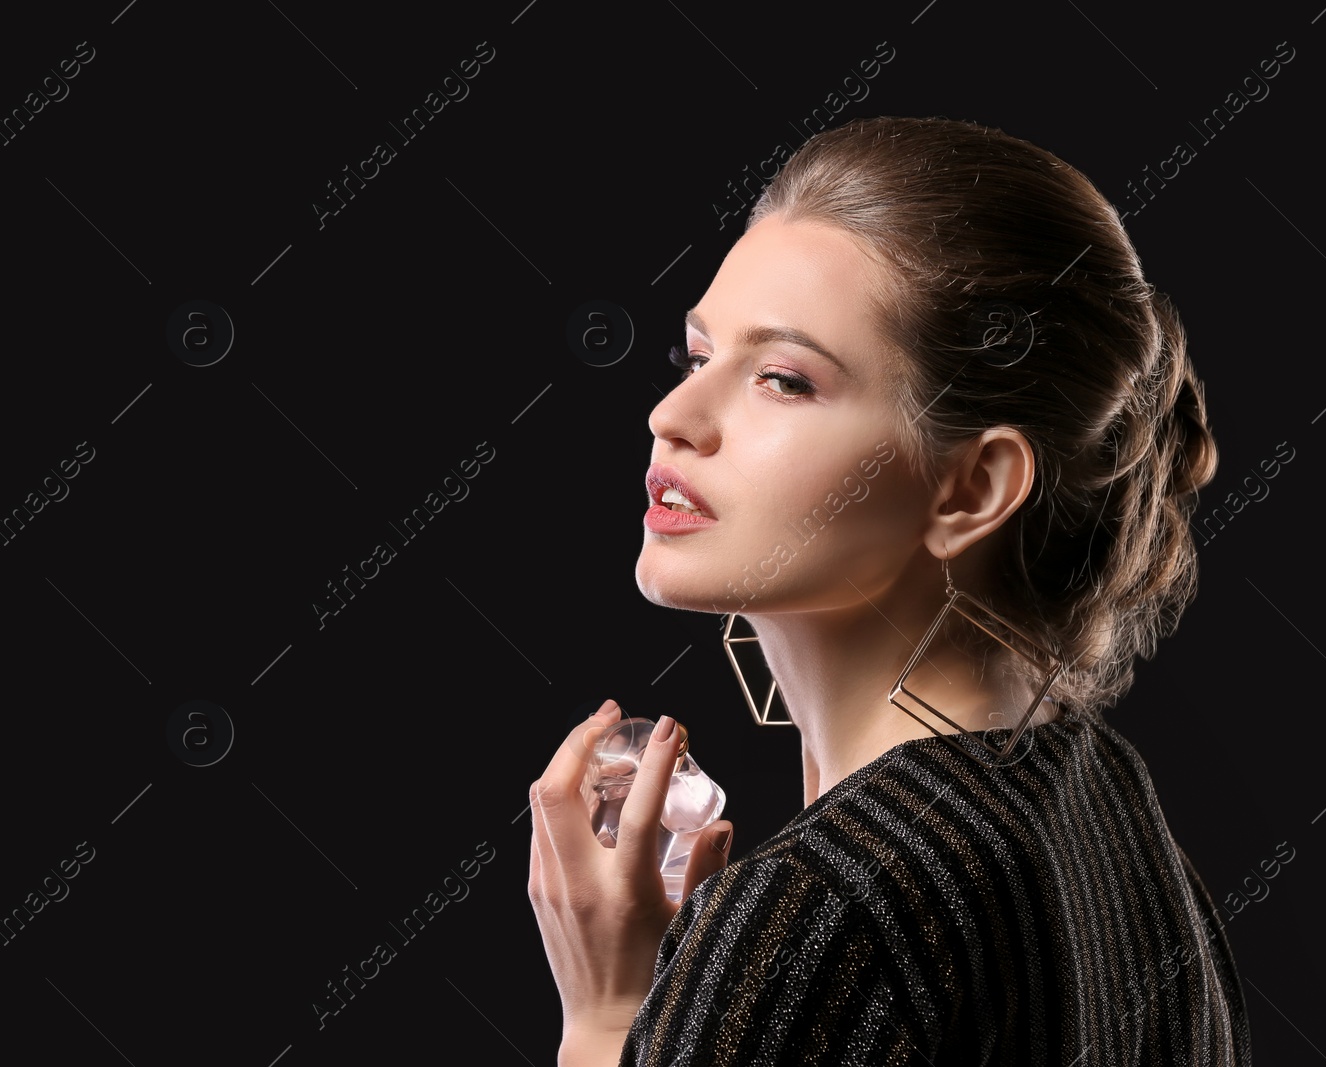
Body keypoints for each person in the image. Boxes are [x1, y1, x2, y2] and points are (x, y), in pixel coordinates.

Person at [528, 115, 1251, 1066]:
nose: (673, 417)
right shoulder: (1112, 806)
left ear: (972, 487)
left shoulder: (817, 908)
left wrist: (611, 1016)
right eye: (699, 358)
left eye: (783, 379)